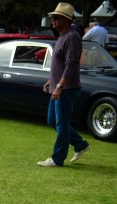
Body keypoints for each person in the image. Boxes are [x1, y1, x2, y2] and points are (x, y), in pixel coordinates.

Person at [38, 3, 90, 167]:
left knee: (61, 123)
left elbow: (71, 64)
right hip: (58, 86)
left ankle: (57, 158)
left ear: (66, 20)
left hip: (66, 89)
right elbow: (59, 65)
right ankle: (80, 144)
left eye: (57, 18)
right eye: (53, 17)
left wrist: (60, 86)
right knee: (53, 121)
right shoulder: (62, 36)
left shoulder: (72, 37)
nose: (52, 20)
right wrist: (51, 81)